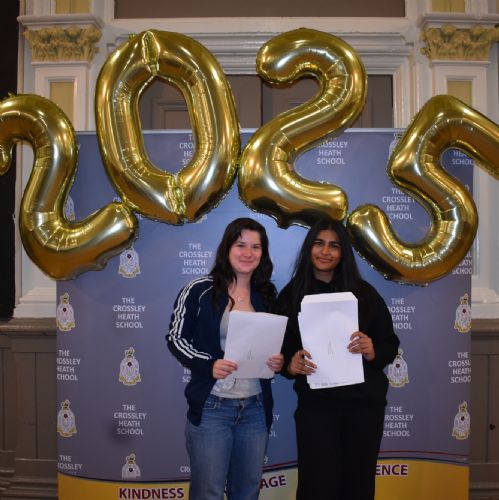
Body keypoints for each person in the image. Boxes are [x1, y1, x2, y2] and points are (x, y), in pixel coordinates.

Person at [278, 218, 400, 500]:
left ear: (343, 252)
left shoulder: (365, 294)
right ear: (309, 248)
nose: (325, 251)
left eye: (334, 246)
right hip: (317, 409)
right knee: (317, 486)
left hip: (363, 408)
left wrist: (372, 350)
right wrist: (290, 365)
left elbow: (389, 344)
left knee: (359, 485)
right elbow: (280, 351)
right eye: (319, 243)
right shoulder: (291, 295)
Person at [167, 217, 283, 500]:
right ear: (227, 248)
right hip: (212, 408)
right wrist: (208, 365)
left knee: (247, 492)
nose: (248, 253)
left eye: (256, 247)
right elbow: (176, 338)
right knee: (208, 493)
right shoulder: (199, 289)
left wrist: (276, 361)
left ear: (263, 253)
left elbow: (272, 343)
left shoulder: (267, 294)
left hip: (255, 408)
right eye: (240, 245)